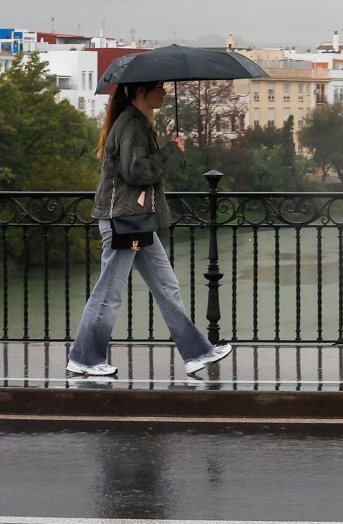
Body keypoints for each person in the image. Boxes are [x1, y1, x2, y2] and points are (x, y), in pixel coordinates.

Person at [67, 80, 232, 377]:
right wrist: (171, 152)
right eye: (159, 88)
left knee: (166, 285)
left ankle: (197, 352)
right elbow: (137, 171)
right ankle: (85, 358)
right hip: (125, 223)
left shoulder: (137, 123)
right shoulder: (131, 125)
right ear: (140, 91)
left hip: (136, 223)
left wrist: (169, 151)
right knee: (110, 289)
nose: (165, 92)